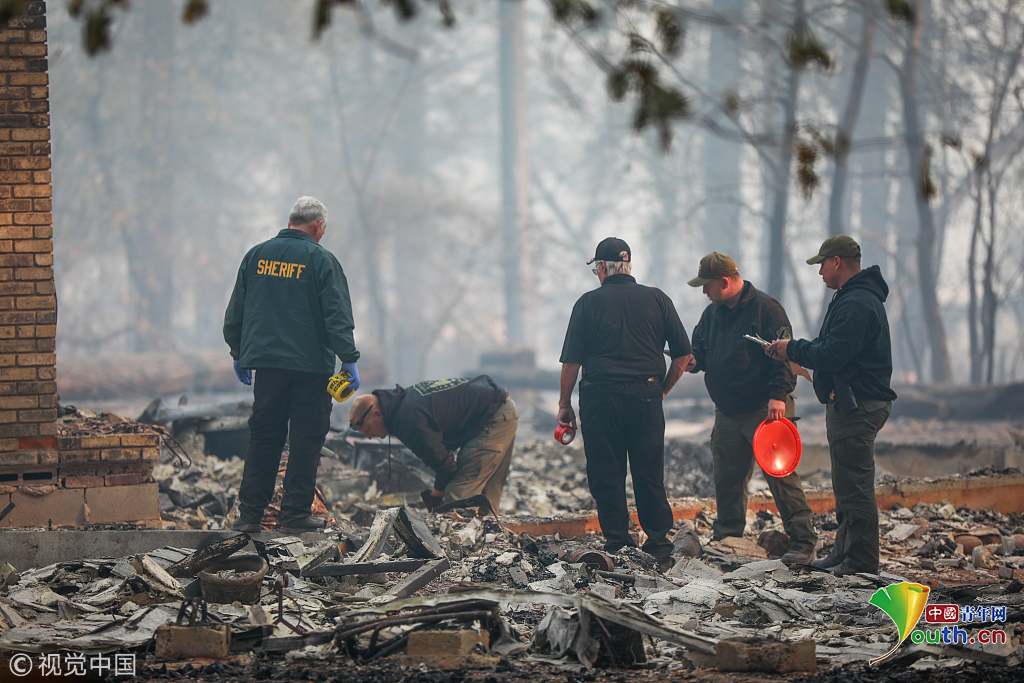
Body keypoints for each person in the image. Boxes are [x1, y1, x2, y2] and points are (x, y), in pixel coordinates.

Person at [223, 196, 360, 534]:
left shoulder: (256, 256)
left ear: (289, 222)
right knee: (306, 440)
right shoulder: (322, 260)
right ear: (318, 226)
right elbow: (337, 314)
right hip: (311, 370)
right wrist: (349, 358)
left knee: (264, 438)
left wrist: (238, 351)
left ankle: (249, 516)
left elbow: (237, 309)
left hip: (268, 368)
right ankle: (296, 515)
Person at [557, 237, 693, 572]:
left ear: (602, 267)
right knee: (649, 473)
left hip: (600, 399)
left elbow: (571, 362)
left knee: (606, 474)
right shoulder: (658, 299)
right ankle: (659, 547)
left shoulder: (588, 303)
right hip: (646, 396)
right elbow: (683, 354)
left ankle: (618, 544)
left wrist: (564, 404)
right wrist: (662, 389)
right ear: (628, 265)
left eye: (596, 270)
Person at [766, 235, 896, 576]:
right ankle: (843, 553)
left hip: (858, 405)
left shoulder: (857, 303)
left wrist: (792, 349)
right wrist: (794, 349)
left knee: (855, 487)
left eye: (822, 264)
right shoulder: (851, 298)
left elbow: (833, 354)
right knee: (846, 484)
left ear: (837, 262)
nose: (820, 271)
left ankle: (861, 561)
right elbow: (830, 347)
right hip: (852, 404)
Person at [686, 252, 817, 564]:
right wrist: (691, 360)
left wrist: (778, 395)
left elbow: (785, 355)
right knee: (727, 478)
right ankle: (727, 538)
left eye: (707, 285)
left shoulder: (767, 310)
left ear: (724, 282)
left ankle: (803, 541)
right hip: (727, 411)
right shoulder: (712, 313)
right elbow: (700, 351)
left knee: (781, 477)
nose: (704, 291)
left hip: (766, 410)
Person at [348, 376, 518, 513]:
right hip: (499, 405)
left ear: (377, 414)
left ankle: (461, 542)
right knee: (485, 490)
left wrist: (435, 499)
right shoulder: (402, 403)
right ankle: (487, 535)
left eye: (368, 430)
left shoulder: (408, 421)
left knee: (458, 492)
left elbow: (446, 467)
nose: (369, 437)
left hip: (495, 416)